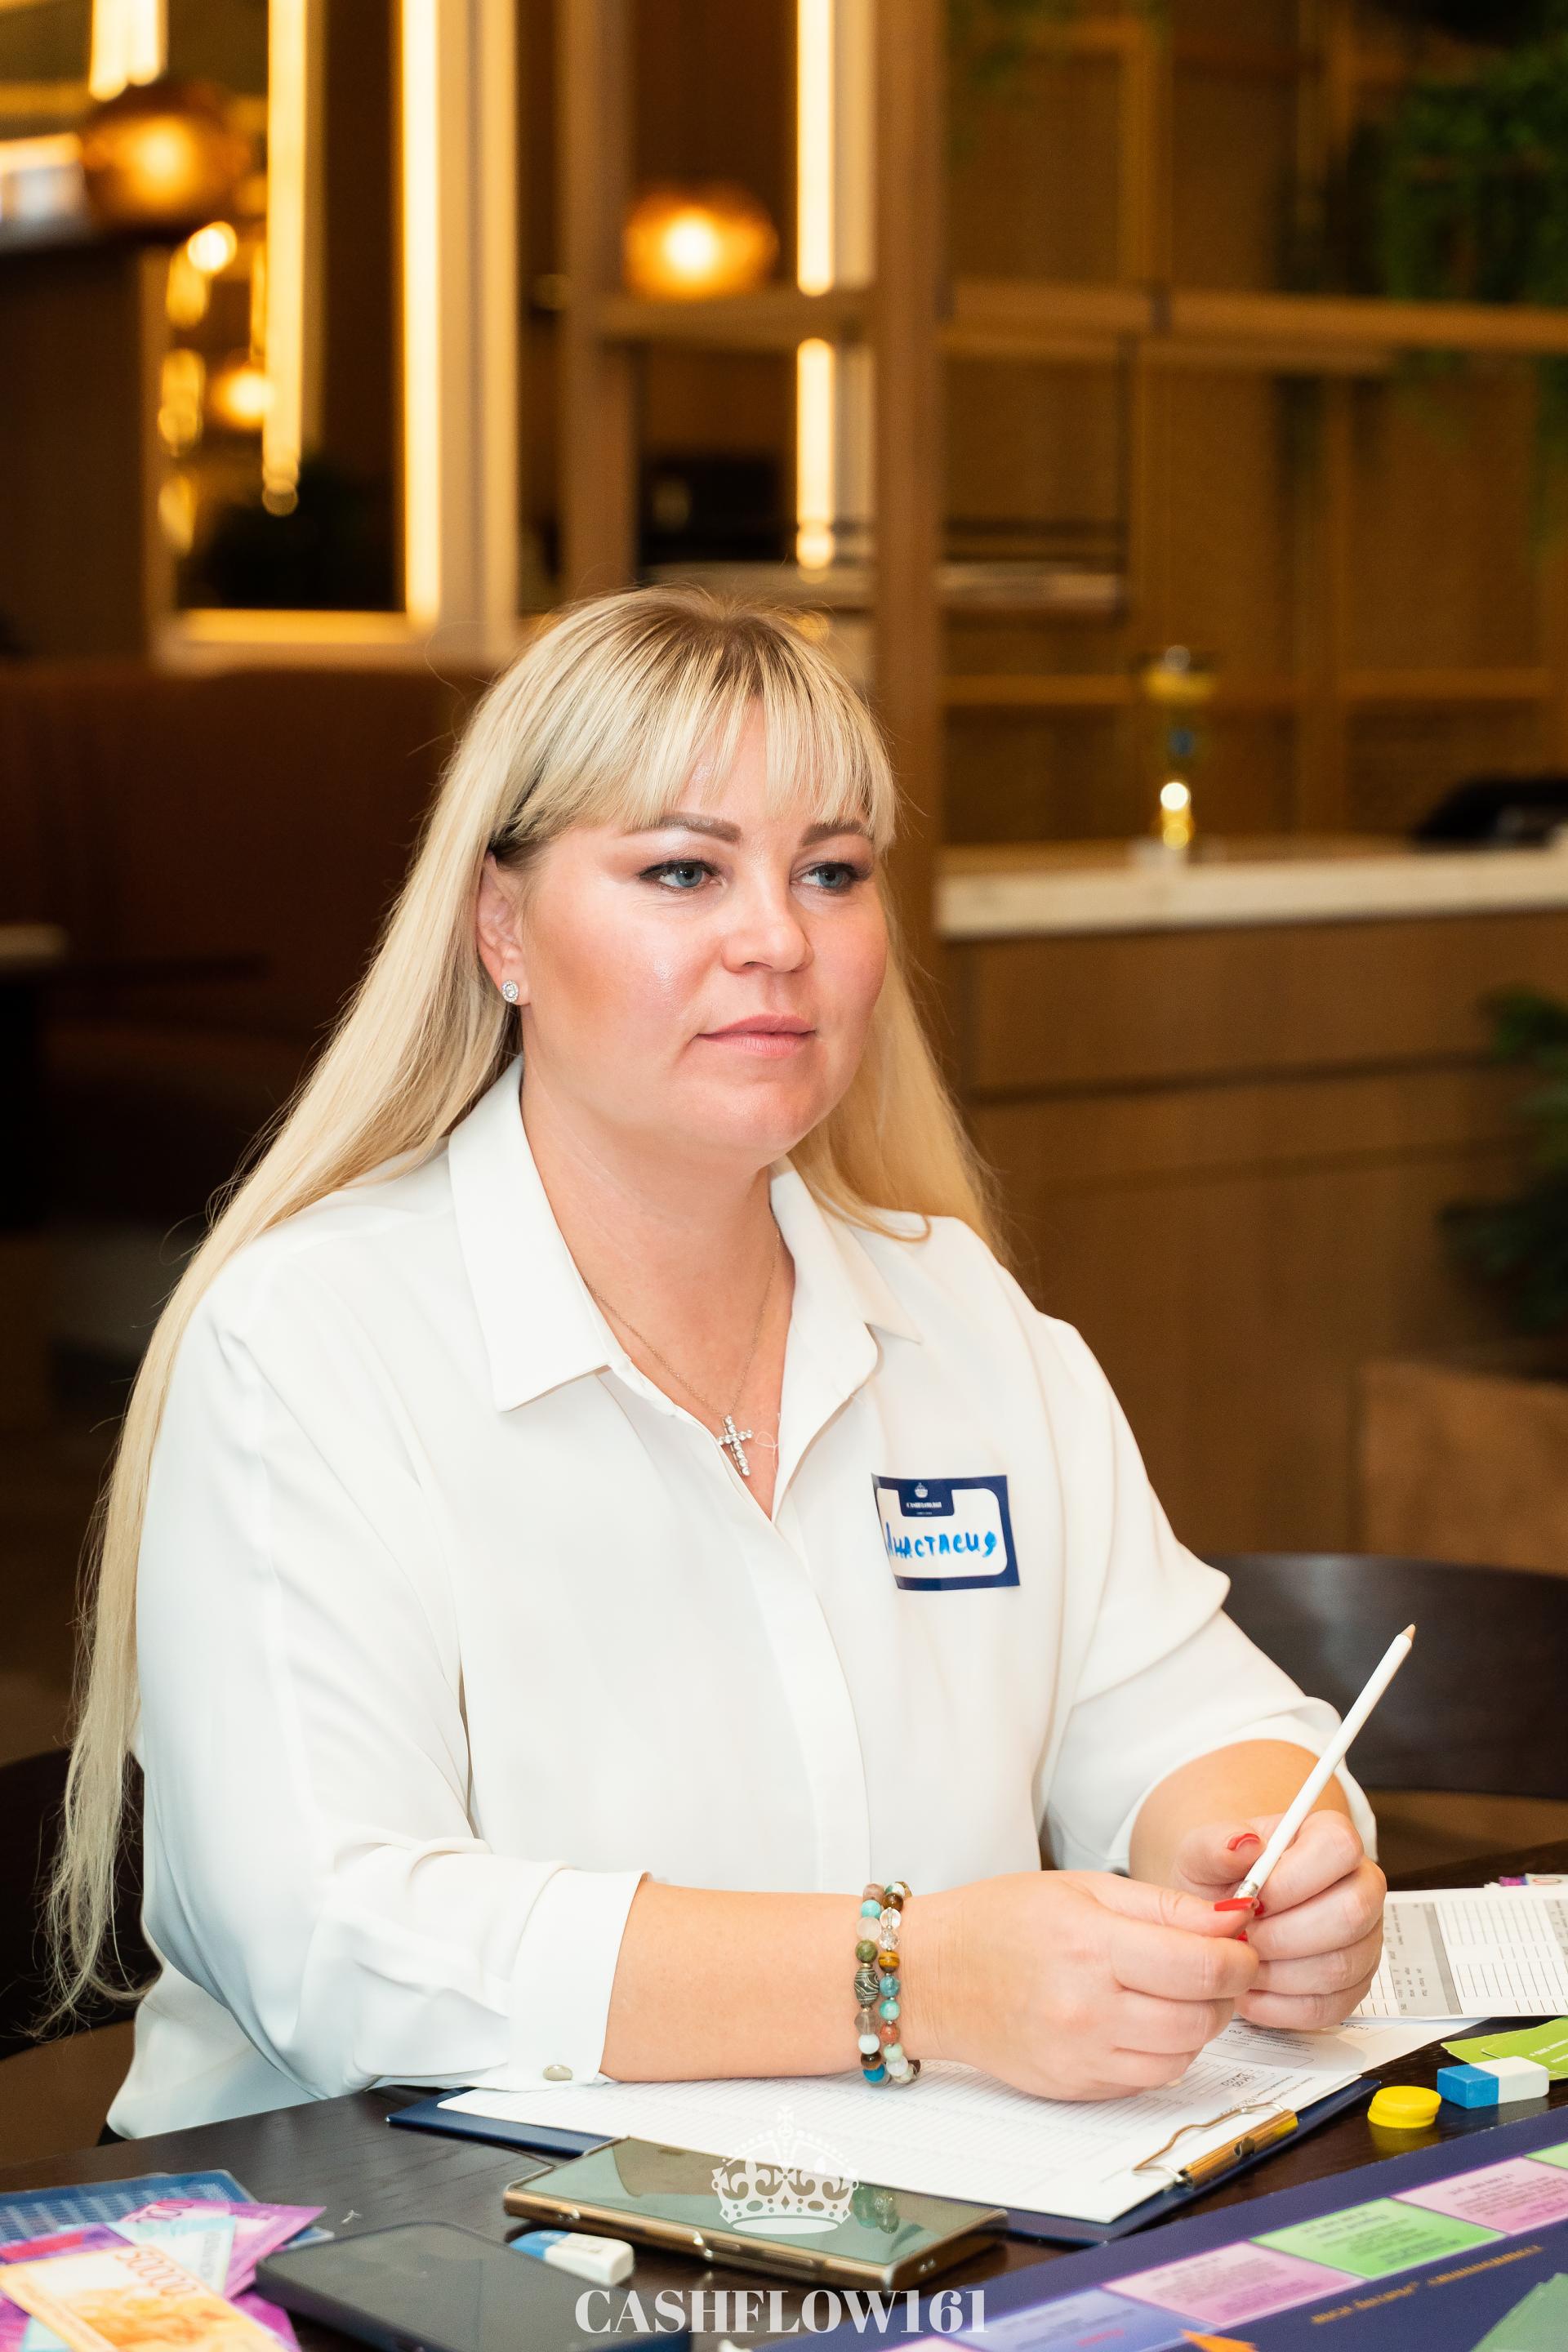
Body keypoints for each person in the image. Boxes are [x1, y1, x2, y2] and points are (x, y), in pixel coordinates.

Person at [51, 590, 1384, 2138]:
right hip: (390, 2230)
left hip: (902, 2221)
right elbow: (335, 1943)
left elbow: (1185, 1718)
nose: (779, 940)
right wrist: (910, 1979)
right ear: (502, 929)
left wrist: (1267, 1854)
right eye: (683, 871)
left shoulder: (961, 1319)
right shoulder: (310, 1339)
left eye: (832, 872)